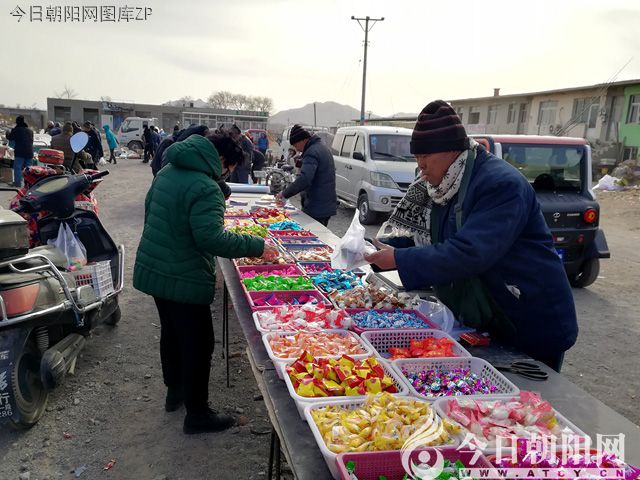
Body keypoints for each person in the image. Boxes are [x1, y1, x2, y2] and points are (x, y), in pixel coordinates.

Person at [364, 100, 577, 372]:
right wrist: (373, 249)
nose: (420, 166)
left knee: (528, 390)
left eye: (425, 156)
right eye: (416, 157)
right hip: (484, 316)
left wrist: (399, 259)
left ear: (451, 149)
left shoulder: (501, 185)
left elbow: (471, 252)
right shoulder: (437, 184)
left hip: (526, 315)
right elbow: (418, 233)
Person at [133, 131, 279, 434]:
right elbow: (211, 238)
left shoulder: (167, 171)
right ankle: (197, 414)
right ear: (221, 159)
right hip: (183, 274)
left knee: (172, 333)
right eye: (229, 168)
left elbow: (152, 212)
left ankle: (175, 392)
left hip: (155, 266)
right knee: (199, 344)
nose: (226, 173)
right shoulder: (205, 187)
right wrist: (256, 246)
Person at [275, 125, 337, 227]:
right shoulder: (321, 147)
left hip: (317, 204)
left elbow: (305, 179)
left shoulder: (311, 152)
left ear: (302, 140)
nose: (297, 149)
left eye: (295, 145)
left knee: (314, 232)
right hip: (325, 202)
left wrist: (284, 194)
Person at [6, 116, 34, 187]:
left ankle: (17, 183)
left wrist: (8, 131)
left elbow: (9, 137)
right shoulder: (30, 131)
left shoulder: (16, 130)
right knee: (29, 168)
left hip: (20, 152)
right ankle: (29, 183)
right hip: (29, 152)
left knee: (18, 167)